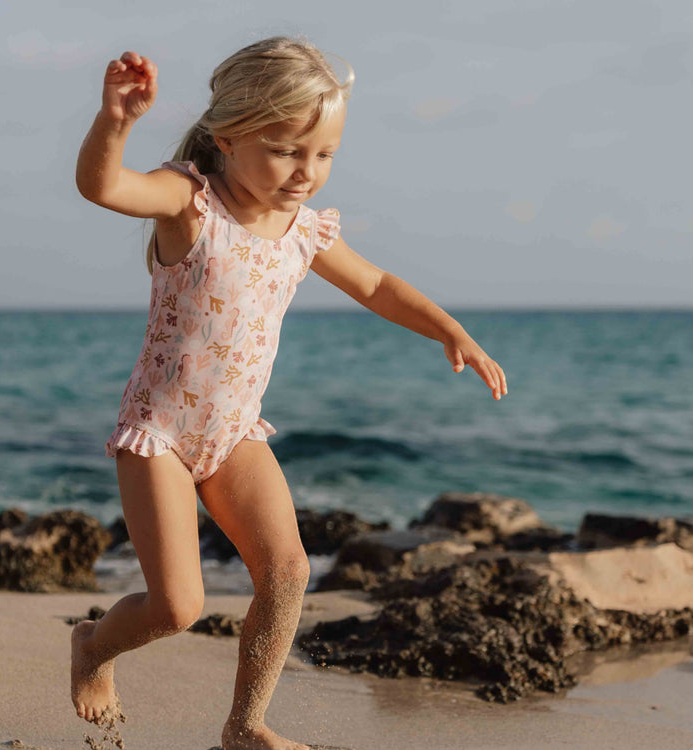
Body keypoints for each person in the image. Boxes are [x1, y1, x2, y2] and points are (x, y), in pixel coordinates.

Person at [71, 36, 507, 750]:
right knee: (178, 605)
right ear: (228, 136)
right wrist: (115, 122)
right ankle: (93, 646)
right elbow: (103, 186)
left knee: (288, 570)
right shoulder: (189, 202)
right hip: (162, 435)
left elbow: (376, 286)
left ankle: (245, 727)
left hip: (236, 433)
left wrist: (450, 330)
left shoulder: (304, 230)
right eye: (286, 151)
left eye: (325, 155)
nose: (308, 173)